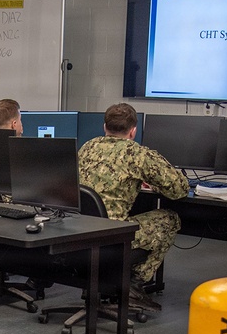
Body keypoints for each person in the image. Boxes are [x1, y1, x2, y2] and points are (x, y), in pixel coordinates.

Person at [77, 103, 188, 312]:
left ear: (104, 126)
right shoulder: (137, 153)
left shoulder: (87, 147)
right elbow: (179, 189)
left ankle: (104, 282)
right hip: (113, 236)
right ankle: (133, 285)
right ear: (133, 131)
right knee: (170, 219)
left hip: (79, 233)